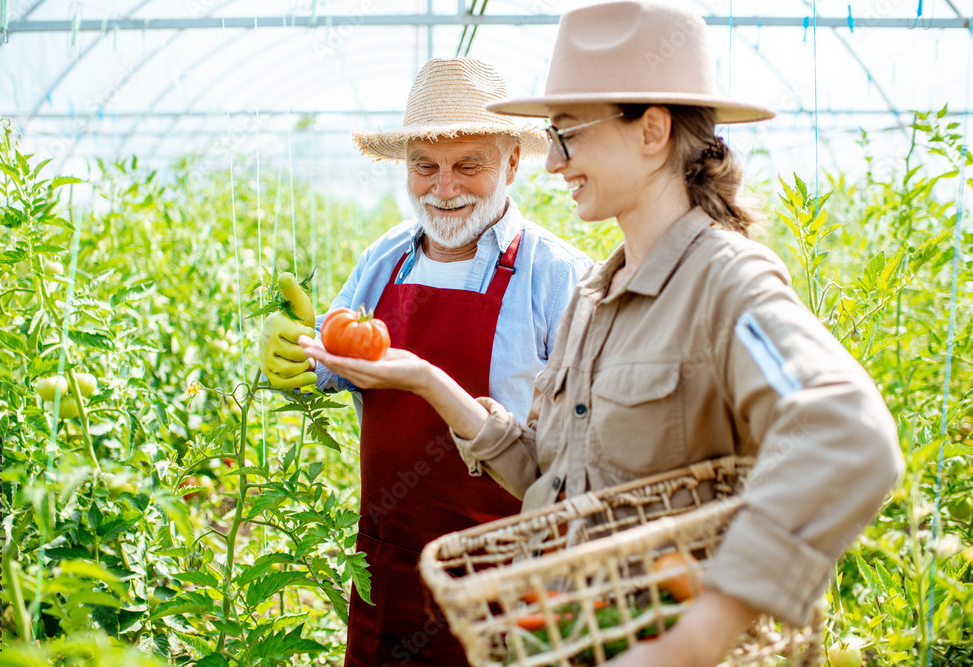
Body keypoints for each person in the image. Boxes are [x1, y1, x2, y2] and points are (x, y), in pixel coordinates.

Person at [299, 4, 904, 667]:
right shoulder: (597, 295)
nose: (555, 162)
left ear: (651, 131)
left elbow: (850, 436)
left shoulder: (724, 284)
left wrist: (701, 634)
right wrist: (429, 381)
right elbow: (553, 481)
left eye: (569, 134)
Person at [258, 57, 591, 666]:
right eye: (425, 167)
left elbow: (581, 451)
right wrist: (298, 352)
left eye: (469, 165)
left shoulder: (558, 277)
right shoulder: (385, 259)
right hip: (389, 567)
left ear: (512, 162)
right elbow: (335, 364)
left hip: (506, 575)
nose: (444, 187)